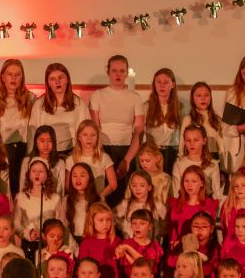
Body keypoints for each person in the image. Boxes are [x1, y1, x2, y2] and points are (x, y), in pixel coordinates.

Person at [90, 55, 145, 185]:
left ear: (126, 72)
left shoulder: (135, 98)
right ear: (108, 71)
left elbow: (139, 130)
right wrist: (100, 155)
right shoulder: (98, 95)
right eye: (114, 70)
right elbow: (95, 128)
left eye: (122, 71)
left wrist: (127, 160)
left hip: (127, 150)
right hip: (103, 150)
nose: (118, 74)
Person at [0, 59, 34, 196]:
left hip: (24, 152)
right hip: (0, 152)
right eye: (9, 74)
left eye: (17, 75)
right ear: (2, 77)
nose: (13, 78)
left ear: (22, 78)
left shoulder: (31, 99)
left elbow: (35, 128)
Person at [30, 63, 89, 154]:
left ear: (67, 80)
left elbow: (86, 129)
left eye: (61, 77)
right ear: (48, 83)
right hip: (46, 153)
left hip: (72, 152)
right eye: (53, 79)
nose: (57, 81)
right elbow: (33, 132)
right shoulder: (39, 104)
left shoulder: (79, 103)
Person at [142, 68, 183, 173]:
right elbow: (141, 132)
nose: (162, 85)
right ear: (154, 85)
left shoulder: (179, 107)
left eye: (166, 82)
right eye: (158, 82)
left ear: (173, 84)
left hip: (172, 152)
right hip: (153, 152)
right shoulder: (146, 106)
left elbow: (183, 132)